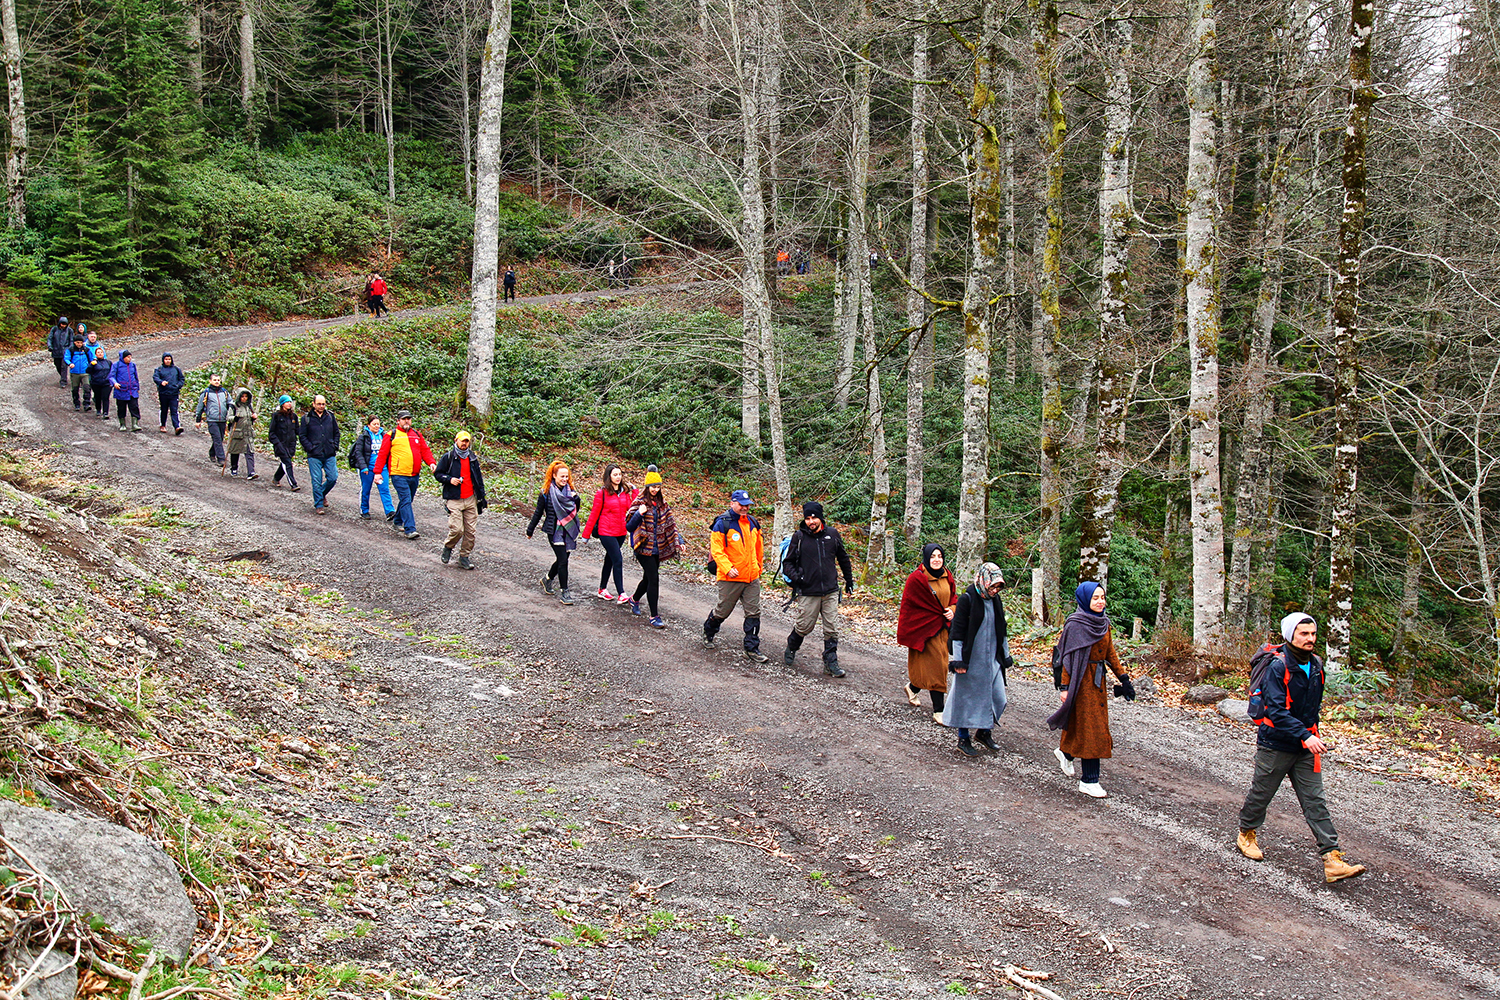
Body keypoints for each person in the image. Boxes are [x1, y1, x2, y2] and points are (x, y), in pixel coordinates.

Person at [1236, 613, 1367, 883]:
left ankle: (1332, 858)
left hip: (1306, 747)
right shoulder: (1277, 666)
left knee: (1315, 801)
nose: (1310, 639)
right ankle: (1246, 833)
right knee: (1261, 794)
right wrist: (1305, 735)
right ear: (1289, 635)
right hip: (1276, 744)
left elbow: (1312, 707)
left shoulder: (1317, 664)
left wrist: (1310, 736)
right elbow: (1276, 710)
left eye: (1313, 634)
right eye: (1304, 634)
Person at [1047, 582, 1134, 797]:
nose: (1100, 601)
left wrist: (1124, 678)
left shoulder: (1104, 623)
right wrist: (1065, 687)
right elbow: (1067, 657)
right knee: (1092, 729)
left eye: (1102, 597)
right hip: (1080, 680)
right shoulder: (1075, 624)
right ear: (1085, 599)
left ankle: (1066, 753)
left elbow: (1110, 653)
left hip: (1098, 682)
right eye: (1095, 597)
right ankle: (1089, 781)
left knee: (1084, 725)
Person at [944, 563, 1012, 758]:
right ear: (983, 580)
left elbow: (1002, 630)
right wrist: (959, 662)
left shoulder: (995, 600)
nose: (995, 590)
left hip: (992, 660)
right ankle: (963, 738)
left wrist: (1005, 655)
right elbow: (957, 632)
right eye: (993, 586)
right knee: (967, 700)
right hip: (971, 660)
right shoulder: (968, 599)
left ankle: (983, 731)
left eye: (998, 587)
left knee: (998, 698)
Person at [780, 501, 854, 678]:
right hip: (808, 591)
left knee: (832, 628)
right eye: (807, 518)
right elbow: (788, 563)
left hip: (830, 590)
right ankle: (792, 646)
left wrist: (849, 581)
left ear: (820, 517)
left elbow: (843, 558)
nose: (811, 521)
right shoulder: (799, 537)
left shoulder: (833, 535)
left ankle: (831, 662)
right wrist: (800, 578)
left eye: (813, 517)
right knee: (804, 626)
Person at [702, 489, 767, 662]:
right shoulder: (722, 523)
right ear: (732, 503)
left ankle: (752, 648)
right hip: (730, 577)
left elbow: (758, 548)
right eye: (741, 505)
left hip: (751, 577)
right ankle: (708, 631)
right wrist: (727, 567)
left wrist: (758, 568)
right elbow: (717, 550)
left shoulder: (753, 522)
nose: (745, 508)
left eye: (747, 505)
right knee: (722, 611)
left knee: (753, 612)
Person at [897, 544, 958, 723]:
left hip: (943, 628)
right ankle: (939, 710)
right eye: (933, 556)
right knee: (937, 666)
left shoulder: (947, 575)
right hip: (925, 629)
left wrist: (952, 610)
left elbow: (954, 597)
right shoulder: (917, 579)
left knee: (937, 665)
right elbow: (909, 607)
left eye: (939, 556)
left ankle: (913, 688)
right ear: (926, 558)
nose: (937, 559)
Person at [624, 468, 684, 628]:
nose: (655, 489)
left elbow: (671, 524)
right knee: (654, 579)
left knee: (648, 578)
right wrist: (640, 514)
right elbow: (629, 527)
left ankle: (634, 599)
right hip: (643, 548)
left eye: (658, 486)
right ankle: (654, 615)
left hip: (657, 548)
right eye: (652, 486)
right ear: (647, 486)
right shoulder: (639, 502)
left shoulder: (662, 504)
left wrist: (680, 540)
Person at [372, 409, 436, 539]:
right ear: (398, 421)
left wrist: (431, 463)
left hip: (414, 474)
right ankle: (410, 529)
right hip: (398, 474)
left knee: (408, 499)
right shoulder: (391, 435)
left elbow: (425, 450)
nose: (406, 421)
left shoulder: (417, 435)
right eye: (404, 419)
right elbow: (382, 455)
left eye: (408, 418)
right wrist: (377, 472)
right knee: (406, 499)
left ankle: (397, 520)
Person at [582, 464, 638, 603]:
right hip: (606, 531)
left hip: (620, 531)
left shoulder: (624, 492)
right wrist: (586, 534)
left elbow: (632, 508)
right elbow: (594, 514)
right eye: (615, 474)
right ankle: (621, 593)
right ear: (609, 476)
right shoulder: (602, 493)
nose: (618, 477)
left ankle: (602, 589)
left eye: (619, 474)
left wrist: (635, 491)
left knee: (610, 559)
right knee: (618, 559)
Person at [527, 461, 581, 605]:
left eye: (566, 476)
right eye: (561, 476)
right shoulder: (546, 493)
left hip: (568, 530)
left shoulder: (570, 492)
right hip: (553, 531)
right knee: (563, 560)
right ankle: (565, 591)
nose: (564, 479)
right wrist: (530, 529)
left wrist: (576, 499)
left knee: (561, 560)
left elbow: (575, 510)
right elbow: (538, 512)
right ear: (554, 476)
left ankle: (548, 579)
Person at [435, 430, 487, 569]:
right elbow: (438, 474)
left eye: (467, 441)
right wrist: (449, 479)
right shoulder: (449, 457)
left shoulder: (472, 458)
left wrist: (482, 497)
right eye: (462, 440)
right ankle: (448, 546)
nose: (464, 443)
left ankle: (464, 557)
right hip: (454, 499)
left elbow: (478, 478)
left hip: (471, 498)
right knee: (457, 530)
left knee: (471, 532)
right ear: (456, 440)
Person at [298, 395, 341, 514]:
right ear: (313, 404)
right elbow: (302, 436)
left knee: (333, 477)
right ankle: (319, 504)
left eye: (323, 404)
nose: (321, 406)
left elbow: (336, 433)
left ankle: (321, 494)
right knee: (316, 480)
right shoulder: (306, 418)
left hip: (329, 452)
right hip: (314, 454)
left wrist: (334, 445)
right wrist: (310, 448)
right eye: (319, 404)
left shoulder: (330, 417)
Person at [354, 415, 396, 521]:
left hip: (382, 468)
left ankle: (390, 511)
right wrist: (363, 467)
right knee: (366, 489)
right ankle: (364, 510)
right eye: (374, 424)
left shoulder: (384, 436)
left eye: (378, 424)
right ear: (369, 425)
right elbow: (358, 453)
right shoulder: (363, 437)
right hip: (367, 468)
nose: (377, 426)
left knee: (384, 489)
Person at [194, 373, 231, 465]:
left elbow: (230, 402)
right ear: (210, 381)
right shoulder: (206, 393)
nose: (217, 382)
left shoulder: (224, 392)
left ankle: (212, 453)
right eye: (214, 380)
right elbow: (200, 407)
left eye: (218, 380)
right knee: (217, 438)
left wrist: (232, 410)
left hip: (222, 419)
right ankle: (221, 459)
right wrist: (198, 420)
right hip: (211, 419)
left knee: (220, 438)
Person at [268, 395, 301, 492]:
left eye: (290, 402)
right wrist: (277, 443)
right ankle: (293, 484)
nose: (289, 404)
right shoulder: (277, 416)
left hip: (291, 444)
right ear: (282, 404)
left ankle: (276, 478)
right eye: (287, 402)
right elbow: (271, 433)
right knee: (287, 463)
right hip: (280, 444)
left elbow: (298, 430)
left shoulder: (293, 416)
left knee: (285, 462)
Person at [224, 387, 258, 479]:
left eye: (246, 396)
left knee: (250, 451)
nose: (244, 398)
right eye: (242, 396)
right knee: (235, 451)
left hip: (247, 432)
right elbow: (228, 417)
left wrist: (253, 417)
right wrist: (234, 418)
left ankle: (251, 472)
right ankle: (234, 468)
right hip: (237, 432)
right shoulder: (233, 406)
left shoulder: (249, 406)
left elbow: (250, 417)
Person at [153, 353, 186, 434]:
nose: (168, 361)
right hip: (163, 393)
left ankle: (177, 427)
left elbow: (182, 379)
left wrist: (178, 386)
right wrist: (161, 382)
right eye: (166, 359)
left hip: (174, 393)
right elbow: (155, 377)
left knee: (174, 410)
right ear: (163, 360)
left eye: (169, 359)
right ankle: (163, 425)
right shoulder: (159, 369)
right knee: (164, 410)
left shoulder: (176, 369)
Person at [109, 350, 141, 432]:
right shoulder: (116, 365)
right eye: (127, 357)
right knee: (121, 408)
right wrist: (115, 383)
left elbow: (136, 377)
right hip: (121, 390)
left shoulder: (133, 365)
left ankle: (135, 424)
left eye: (130, 357)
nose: (129, 359)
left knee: (134, 407)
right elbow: (111, 376)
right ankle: (122, 424)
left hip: (132, 390)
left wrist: (137, 388)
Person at [65, 333, 92, 411]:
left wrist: (93, 362)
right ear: (74, 342)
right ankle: (77, 404)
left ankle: (86, 404)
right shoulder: (71, 350)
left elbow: (92, 357)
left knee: (87, 388)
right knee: (75, 389)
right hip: (74, 373)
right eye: (78, 342)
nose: (79, 344)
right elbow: (66, 358)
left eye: (81, 342)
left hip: (85, 372)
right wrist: (70, 364)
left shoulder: (86, 350)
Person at [86, 348, 113, 419]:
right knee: (97, 397)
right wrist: (91, 365)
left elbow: (112, 371)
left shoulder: (108, 362)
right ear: (96, 354)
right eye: (98, 352)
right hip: (96, 383)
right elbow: (88, 371)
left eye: (101, 352)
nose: (100, 353)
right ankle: (98, 409)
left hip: (107, 383)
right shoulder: (94, 363)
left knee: (105, 397)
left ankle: (105, 412)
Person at [48, 315, 71, 387]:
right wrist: (50, 346)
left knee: (64, 366)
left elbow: (71, 340)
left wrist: (69, 349)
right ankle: (63, 377)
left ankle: (63, 381)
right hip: (56, 350)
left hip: (65, 351)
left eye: (65, 324)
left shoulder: (69, 330)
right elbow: (50, 338)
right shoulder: (54, 329)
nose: (63, 325)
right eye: (62, 323)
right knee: (57, 365)